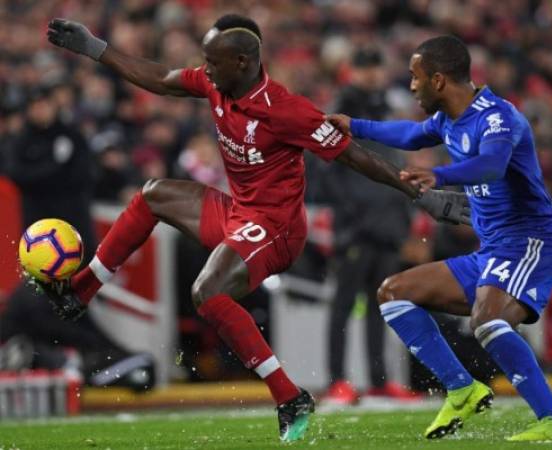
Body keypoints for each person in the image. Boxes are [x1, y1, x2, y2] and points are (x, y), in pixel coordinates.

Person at [43, 15, 470, 441]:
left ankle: (289, 396)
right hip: (238, 212)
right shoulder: (217, 82)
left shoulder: (287, 110)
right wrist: (96, 48)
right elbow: (160, 78)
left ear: (243, 62)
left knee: (207, 292)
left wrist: (420, 195)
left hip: (277, 228)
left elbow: (355, 156)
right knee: (153, 194)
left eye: (213, 62)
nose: (204, 70)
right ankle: (82, 290)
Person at [327, 35, 552, 441]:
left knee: (488, 319)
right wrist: (354, 126)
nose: (410, 86)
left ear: (439, 80)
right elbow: (410, 136)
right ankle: (461, 388)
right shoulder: (448, 121)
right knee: (393, 292)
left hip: (534, 244)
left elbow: (493, 165)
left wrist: (439, 175)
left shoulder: (499, 117)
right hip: (494, 250)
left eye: (415, 77)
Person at [1, 86, 154, 391]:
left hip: (71, 245)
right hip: (40, 249)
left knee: (49, 308)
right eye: (34, 105)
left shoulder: (71, 137)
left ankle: (92, 362)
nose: (40, 111)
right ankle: (104, 362)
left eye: (44, 104)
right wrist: (56, 168)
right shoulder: (23, 142)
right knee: (55, 311)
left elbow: (81, 176)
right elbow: (17, 173)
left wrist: (45, 174)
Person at [321, 47, 420, 405]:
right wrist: (353, 213)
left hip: (386, 223)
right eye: (366, 68)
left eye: (376, 67)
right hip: (357, 227)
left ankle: (379, 381)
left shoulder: (383, 109)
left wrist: (402, 216)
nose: (373, 75)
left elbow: (395, 165)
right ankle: (337, 380)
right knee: (344, 304)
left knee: (382, 306)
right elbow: (327, 170)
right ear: (352, 72)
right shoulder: (340, 108)